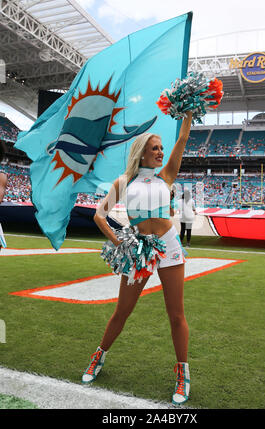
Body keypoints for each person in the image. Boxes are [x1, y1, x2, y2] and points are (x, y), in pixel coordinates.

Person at [82, 111, 193, 405]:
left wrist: (189, 110)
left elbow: (182, 139)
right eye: (154, 148)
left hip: (168, 245)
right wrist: (121, 243)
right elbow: (99, 216)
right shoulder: (124, 182)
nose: (160, 152)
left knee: (176, 314)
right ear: (142, 153)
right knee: (122, 311)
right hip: (139, 249)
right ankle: (98, 356)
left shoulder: (166, 176)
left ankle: (183, 372)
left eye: (160, 148)